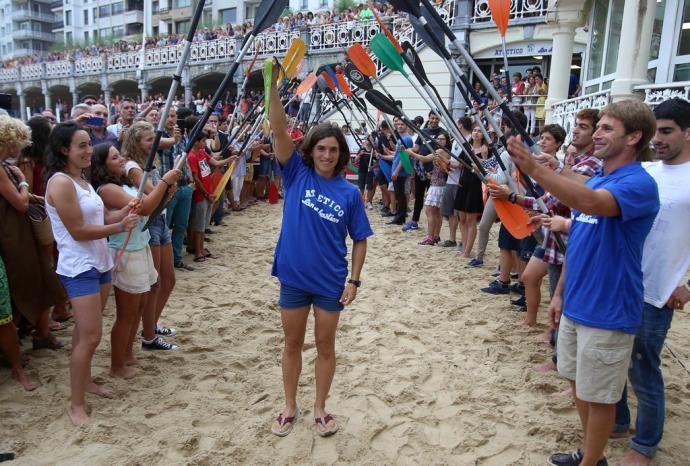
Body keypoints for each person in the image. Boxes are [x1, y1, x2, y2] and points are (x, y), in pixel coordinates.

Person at [508, 100, 660, 466]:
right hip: (577, 302)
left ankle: (591, 462)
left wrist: (535, 169)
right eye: (599, 126)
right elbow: (582, 237)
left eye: (607, 128)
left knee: (601, 397)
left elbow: (590, 202)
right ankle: (590, 455)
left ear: (634, 137)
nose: (597, 134)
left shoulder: (639, 183)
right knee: (578, 386)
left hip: (609, 310)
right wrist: (559, 295)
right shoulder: (604, 177)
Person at [266, 63, 372, 437]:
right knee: (292, 343)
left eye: (333, 149)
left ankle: (321, 408)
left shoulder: (349, 192)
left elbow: (360, 239)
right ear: (310, 152)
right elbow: (278, 128)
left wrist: (355, 280)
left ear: (341, 154)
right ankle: (290, 405)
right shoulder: (295, 173)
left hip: (330, 281)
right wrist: (273, 87)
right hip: (294, 277)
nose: (327, 154)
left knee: (325, 346)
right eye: (321, 148)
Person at [44, 122, 139, 425]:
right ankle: (75, 405)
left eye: (89, 144)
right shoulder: (60, 182)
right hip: (78, 267)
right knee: (91, 336)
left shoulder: (83, 180)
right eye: (81, 146)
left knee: (84, 334)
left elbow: (102, 216)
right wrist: (118, 227)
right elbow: (78, 230)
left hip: (100, 263)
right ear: (64, 150)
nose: (88, 151)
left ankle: (85, 383)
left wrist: (123, 213)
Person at [612, 98, 690, 466]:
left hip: (661, 288)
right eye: (654, 131)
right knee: (616, 358)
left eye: (667, 131)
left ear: (688, 132)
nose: (657, 139)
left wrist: (687, 285)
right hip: (623, 280)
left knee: (643, 367)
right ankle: (619, 420)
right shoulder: (646, 171)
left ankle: (644, 445)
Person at [90, 142, 182, 376]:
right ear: (102, 165)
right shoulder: (106, 188)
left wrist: (167, 190)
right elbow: (144, 208)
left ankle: (127, 354)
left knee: (140, 305)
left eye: (120, 155)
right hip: (126, 252)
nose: (121, 159)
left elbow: (152, 207)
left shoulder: (123, 184)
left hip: (139, 246)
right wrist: (164, 182)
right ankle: (117, 365)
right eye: (114, 158)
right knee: (127, 313)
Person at [0, 115, 66, 351]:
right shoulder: (10, 167)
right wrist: (24, 183)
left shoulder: (8, 165)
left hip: (17, 231)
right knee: (27, 283)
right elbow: (20, 201)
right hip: (14, 234)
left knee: (35, 279)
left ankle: (37, 333)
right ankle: (26, 338)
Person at [121, 121, 180, 350]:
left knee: (168, 279)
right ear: (136, 142)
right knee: (154, 283)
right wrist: (167, 182)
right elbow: (152, 193)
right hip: (149, 223)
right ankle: (148, 336)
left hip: (160, 219)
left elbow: (163, 194)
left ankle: (151, 324)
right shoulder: (133, 167)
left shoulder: (148, 161)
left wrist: (168, 186)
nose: (154, 143)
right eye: (149, 140)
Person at [403, 111, 447, 232]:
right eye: (432, 118)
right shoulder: (423, 132)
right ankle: (414, 221)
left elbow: (443, 152)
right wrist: (405, 150)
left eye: (436, 118)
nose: (434, 120)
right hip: (421, 169)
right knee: (419, 196)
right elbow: (416, 148)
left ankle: (434, 228)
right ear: (429, 118)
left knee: (433, 201)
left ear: (439, 119)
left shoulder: (442, 133)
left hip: (434, 171)